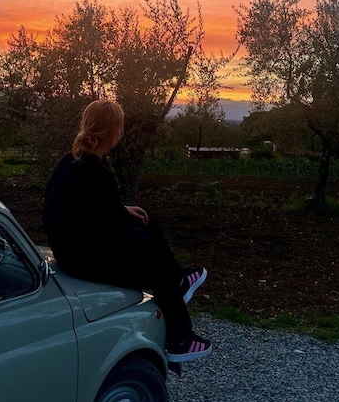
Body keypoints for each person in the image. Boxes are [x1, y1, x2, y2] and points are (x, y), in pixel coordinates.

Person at [42, 99, 212, 362]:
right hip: (81, 260)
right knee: (154, 262)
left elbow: (89, 209)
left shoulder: (70, 162)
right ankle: (180, 339)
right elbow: (114, 233)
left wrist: (123, 210)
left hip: (70, 249)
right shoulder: (98, 174)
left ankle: (178, 281)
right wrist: (144, 245)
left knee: (144, 218)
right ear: (116, 133)